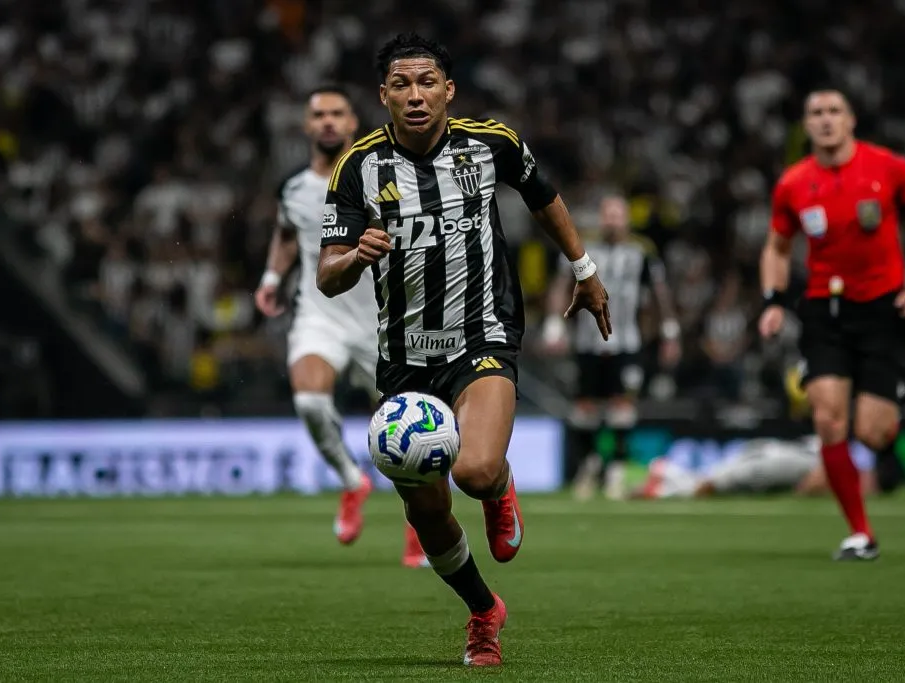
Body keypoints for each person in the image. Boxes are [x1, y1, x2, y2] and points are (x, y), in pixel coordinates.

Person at [316, 33, 610, 666]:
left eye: (427, 82)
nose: (415, 95)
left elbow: (544, 197)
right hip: (404, 357)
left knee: (473, 471)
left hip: (483, 332)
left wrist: (583, 270)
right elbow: (326, 275)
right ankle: (483, 611)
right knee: (427, 510)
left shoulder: (491, 143)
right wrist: (353, 258)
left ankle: (499, 486)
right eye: (402, 84)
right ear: (383, 96)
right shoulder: (357, 167)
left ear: (448, 90)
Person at [758, 87, 905, 561]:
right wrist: (774, 301)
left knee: (873, 433)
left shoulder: (888, 167)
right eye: (815, 112)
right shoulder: (794, 183)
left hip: (884, 310)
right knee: (826, 417)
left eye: (833, 111)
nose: (825, 120)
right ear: (807, 124)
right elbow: (777, 247)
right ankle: (860, 532)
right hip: (825, 309)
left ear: (851, 120)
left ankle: (885, 434)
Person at [254, 85, 427, 568]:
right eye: (318, 115)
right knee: (309, 400)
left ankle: (422, 529)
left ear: (354, 122)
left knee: (408, 434)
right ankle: (353, 481)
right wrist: (272, 277)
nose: (328, 122)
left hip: (384, 322)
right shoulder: (293, 189)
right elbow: (287, 234)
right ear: (307, 126)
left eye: (337, 113)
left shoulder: (381, 175)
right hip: (320, 316)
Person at [542, 195, 680, 501]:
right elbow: (560, 283)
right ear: (600, 218)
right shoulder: (582, 245)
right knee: (585, 408)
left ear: (627, 219)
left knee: (622, 406)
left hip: (626, 341)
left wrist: (670, 332)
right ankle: (590, 465)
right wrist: (554, 322)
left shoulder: (641, 251)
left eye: (618, 215)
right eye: (608, 215)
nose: (612, 221)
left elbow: (659, 293)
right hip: (587, 342)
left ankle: (616, 468)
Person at [632, 436, 878, 499]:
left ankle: (663, 477)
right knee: (712, 483)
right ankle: (663, 480)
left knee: (715, 477)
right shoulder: (856, 458)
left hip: (778, 453)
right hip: (787, 461)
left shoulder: (855, 451)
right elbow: (817, 479)